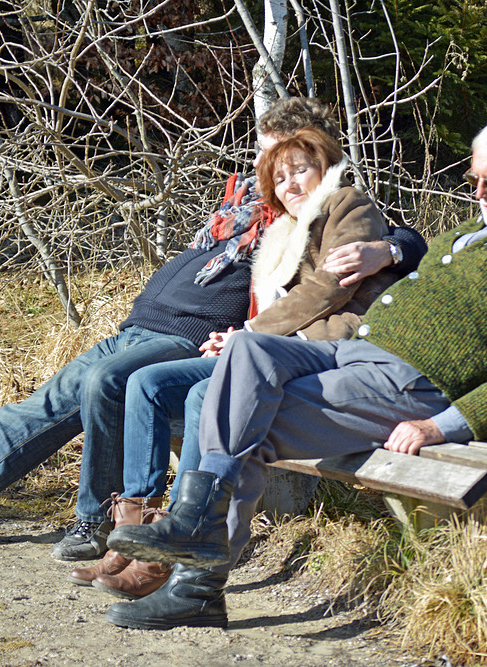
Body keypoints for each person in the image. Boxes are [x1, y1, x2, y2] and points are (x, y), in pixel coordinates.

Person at [0, 97, 417, 556]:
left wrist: (392, 249)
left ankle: (95, 522)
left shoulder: (316, 212)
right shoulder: (243, 205)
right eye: (268, 150)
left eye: (293, 152)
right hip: (141, 327)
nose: (277, 165)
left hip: (184, 342)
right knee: (23, 419)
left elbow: (372, 245)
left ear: (322, 154)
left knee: (95, 391)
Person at [103, 110, 487, 630]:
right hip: (350, 356)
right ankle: (196, 525)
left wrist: (439, 426)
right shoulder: (465, 235)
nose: (478, 192)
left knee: (246, 422)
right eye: (473, 179)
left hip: (409, 386)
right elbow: (402, 250)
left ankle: (197, 582)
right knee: (246, 352)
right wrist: (390, 248)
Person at [71, 127, 425, 595]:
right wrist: (232, 337)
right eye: (280, 178)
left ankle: (180, 537)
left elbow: (329, 286)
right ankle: (139, 533)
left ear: (326, 169)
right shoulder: (278, 230)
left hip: (319, 348)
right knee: (146, 384)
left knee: (203, 394)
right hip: (262, 348)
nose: (292, 184)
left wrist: (249, 334)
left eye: (301, 170)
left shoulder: (346, 204)